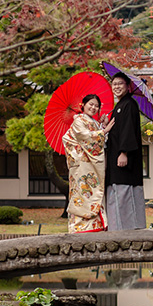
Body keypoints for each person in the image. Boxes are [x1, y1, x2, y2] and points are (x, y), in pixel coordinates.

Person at [61, 94, 113, 233]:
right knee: (82, 193)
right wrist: (103, 131)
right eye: (91, 104)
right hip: (82, 167)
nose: (94, 107)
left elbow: (101, 142)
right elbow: (86, 138)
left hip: (91, 165)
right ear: (82, 105)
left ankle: (97, 225)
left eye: (97, 106)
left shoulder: (94, 122)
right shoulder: (79, 121)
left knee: (93, 193)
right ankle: (80, 227)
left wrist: (102, 126)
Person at [105, 74, 146, 231]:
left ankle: (123, 229)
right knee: (121, 193)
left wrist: (124, 152)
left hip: (123, 159)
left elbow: (128, 131)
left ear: (128, 85)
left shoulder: (129, 104)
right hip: (116, 157)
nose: (116, 87)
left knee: (123, 192)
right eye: (114, 84)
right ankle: (125, 227)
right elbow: (118, 131)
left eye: (120, 84)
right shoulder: (121, 105)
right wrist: (107, 124)